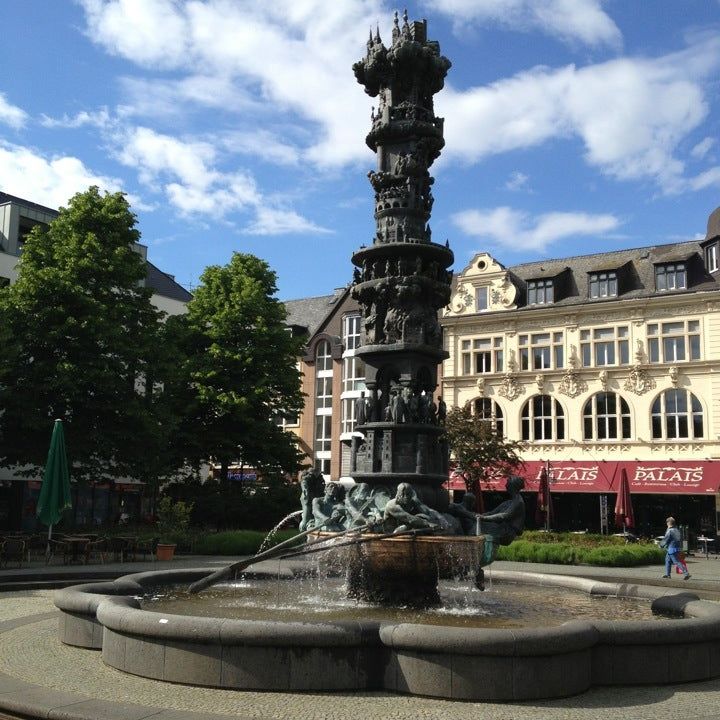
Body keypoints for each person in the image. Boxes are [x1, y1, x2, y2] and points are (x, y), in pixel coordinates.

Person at [477, 476, 526, 546]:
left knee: (477, 527)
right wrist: (476, 515)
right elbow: (492, 513)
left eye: (508, 483)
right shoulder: (507, 503)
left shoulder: (518, 502)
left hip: (507, 533)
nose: (506, 485)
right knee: (474, 524)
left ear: (512, 486)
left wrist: (484, 518)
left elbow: (504, 515)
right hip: (503, 529)